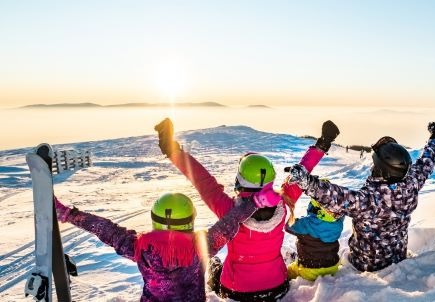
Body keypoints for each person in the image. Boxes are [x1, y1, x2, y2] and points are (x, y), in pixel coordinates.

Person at [155, 118, 339, 301]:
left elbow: (202, 180)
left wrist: (172, 150)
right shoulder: (284, 202)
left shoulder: (229, 211)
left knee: (214, 266)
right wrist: (323, 143)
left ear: (240, 179)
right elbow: (302, 171)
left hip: (237, 290)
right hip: (277, 287)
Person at [49, 157, 281, 302]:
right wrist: (255, 202)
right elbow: (230, 223)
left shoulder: (139, 247)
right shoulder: (202, 246)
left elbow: (106, 229)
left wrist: (69, 214)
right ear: (190, 220)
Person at [287, 122, 435, 272]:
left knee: (341, 258)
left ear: (381, 170)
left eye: (375, 165)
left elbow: (336, 197)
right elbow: (426, 162)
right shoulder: (411, 184)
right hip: (398, 258)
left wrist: (306, 182)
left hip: (364, 265)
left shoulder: (370, 199)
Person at [285, 187, 345, 281]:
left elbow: (288, 226)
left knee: (289, 271)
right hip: (332, 267)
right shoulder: (338, 224)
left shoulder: (307, 224)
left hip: (309, 270)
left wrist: (297, 219)